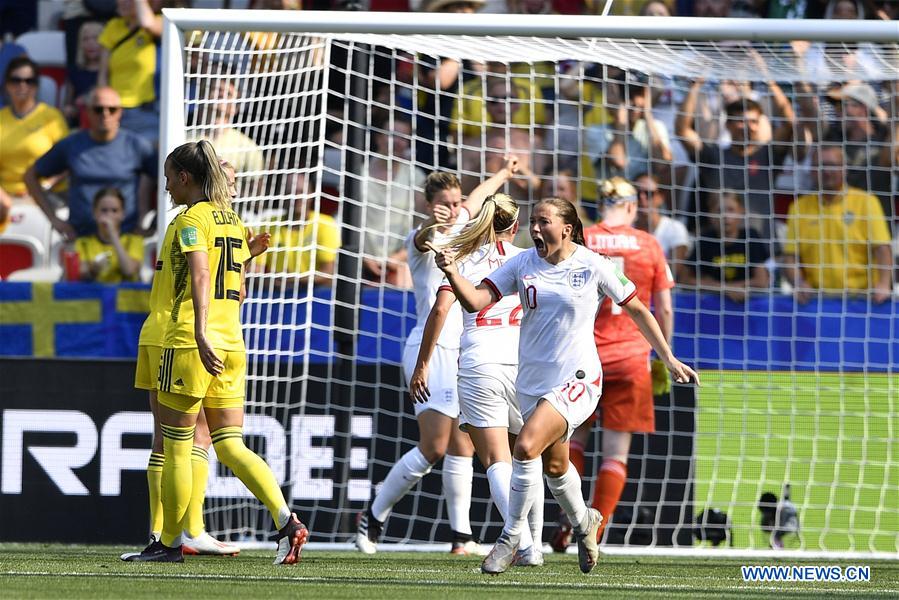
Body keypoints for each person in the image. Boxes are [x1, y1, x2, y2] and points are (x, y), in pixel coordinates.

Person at [433, 196, 698, 574]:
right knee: (556, 467)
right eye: (534, 222)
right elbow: (476, 301)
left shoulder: (594, 265)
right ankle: (584, 522)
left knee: (525, 448)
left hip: (578, 378)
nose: (535, 229)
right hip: (531, 381)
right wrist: (451, 272)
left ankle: (509, 539)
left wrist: (668, 357)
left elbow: (639, 307)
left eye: (543, 222)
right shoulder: (522, 263)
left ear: (567, 229)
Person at [124, 141, 307, 564]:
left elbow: (202, 272)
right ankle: (286, 521)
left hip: (191, 338)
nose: (166, 186)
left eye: (169, 178)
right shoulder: (232, 221)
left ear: (185, 178)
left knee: (175, 444)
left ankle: (167, 543)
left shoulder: (191, 219)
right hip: (233, 341)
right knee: (229, 444)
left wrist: (201, 330)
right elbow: (236, 281)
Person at [356, 159, 518, 556]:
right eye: (444, 202)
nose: (454, 207)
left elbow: (479, 197)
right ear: (429, 204)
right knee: (433, 447)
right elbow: (425, 238)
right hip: (428, 349)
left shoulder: (467, 221)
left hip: (466, 350)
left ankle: (461, 538)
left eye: (456, 201)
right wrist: (436, 223)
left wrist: (504, 173)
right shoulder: (423, 236)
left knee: (465, 445)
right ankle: (373, 516)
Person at [409, 192, 544, 567]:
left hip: (480, 362)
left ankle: (527, 544)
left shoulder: (463, 259)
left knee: (497, 459)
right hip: (526, 365)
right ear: (516, 226)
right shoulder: (528, 259)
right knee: (527, 457)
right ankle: (536, 545)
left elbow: (440, 310)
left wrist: (423, 364)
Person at [547, 178, 674, 552]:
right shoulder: (649, 245)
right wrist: (663, 355)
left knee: (572, 440)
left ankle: (572, 519)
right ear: (632, 207)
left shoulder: (584, 241)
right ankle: (594, 531)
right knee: (616, 453)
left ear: (601, 204)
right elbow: (663, 306)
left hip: (584, 359)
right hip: (631, 359)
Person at [25, 86, 156, 241]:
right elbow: (31, 176)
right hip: (80, 240)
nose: (105, 114)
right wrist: (54, 219)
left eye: (112, 109)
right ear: (88, 111)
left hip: (126, 241)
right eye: (98, 109)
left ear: (120, 112)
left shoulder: (137, 146)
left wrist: (154, 224)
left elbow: (169, 180)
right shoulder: (71, 145)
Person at [781, 145, 893, 304]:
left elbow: (882, 248)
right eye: (820, 166)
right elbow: (790, 257)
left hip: (861, 301)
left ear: (844, 168)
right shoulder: (798, 208)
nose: (826, 171)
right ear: (812, 171)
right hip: (816, 303)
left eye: (832, 165)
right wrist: (798, 282)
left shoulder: (867, 202)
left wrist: (883, 284)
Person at [0, 57, 69, 207]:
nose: (22, 85)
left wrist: (44, 187)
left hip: (46, 194)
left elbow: (67, 159)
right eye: (15, 80)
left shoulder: (52, 117)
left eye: (29, 81)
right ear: (6, 85)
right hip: (4, 197)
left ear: (36, 85)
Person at [679, 190, 771, 303]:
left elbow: (761, 281)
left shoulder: (751, 237)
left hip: (749, 305)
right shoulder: (705, 239)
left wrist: (726, 287)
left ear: (741, 211)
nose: (725, 216)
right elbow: (685, 279)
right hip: (712, 306)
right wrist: (726, 289)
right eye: (719, 211)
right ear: (710, 215)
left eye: (731, 210)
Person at [98, 0, 162, 143]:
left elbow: (147, 23)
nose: (122, 2)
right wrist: (104, 106)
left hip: (147, 111)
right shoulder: (113, 26)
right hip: (115, 111)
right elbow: (103, 73)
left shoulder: (159, 21)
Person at [263, 171, 341, 287]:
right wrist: (275, 282)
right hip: (277, 294)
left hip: (317, 294)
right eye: (291, 193)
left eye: (301, 192)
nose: (298, 197)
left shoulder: (325, 224)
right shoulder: (267, 226)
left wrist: (291, 279)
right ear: (282, 196)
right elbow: (255, 272)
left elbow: (328, 273)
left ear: (311, 194)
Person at [75, 187, 144, 283]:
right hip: (95, 296)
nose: (109, 215)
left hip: (124, 297)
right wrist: (93, 269)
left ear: (123, 214)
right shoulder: (83, 243)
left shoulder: (134, 241)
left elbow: (129, 271)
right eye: (104, 210)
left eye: (114, 210)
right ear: (95, 213)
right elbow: (77, 275)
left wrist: (113, 236)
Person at [633, 172, 691, 267]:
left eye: (649, 193)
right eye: (637, 194)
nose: (642, 198)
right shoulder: (625, 229)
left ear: (660, 197)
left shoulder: (675, 228)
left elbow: (675, 272)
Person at [63, 21, 103, 126]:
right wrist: (71, 109)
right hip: (79, 124)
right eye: (85, 39)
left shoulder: (111, 70)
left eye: (96, 38)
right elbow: (68, 104)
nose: (90, 43)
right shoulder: (74, 71)